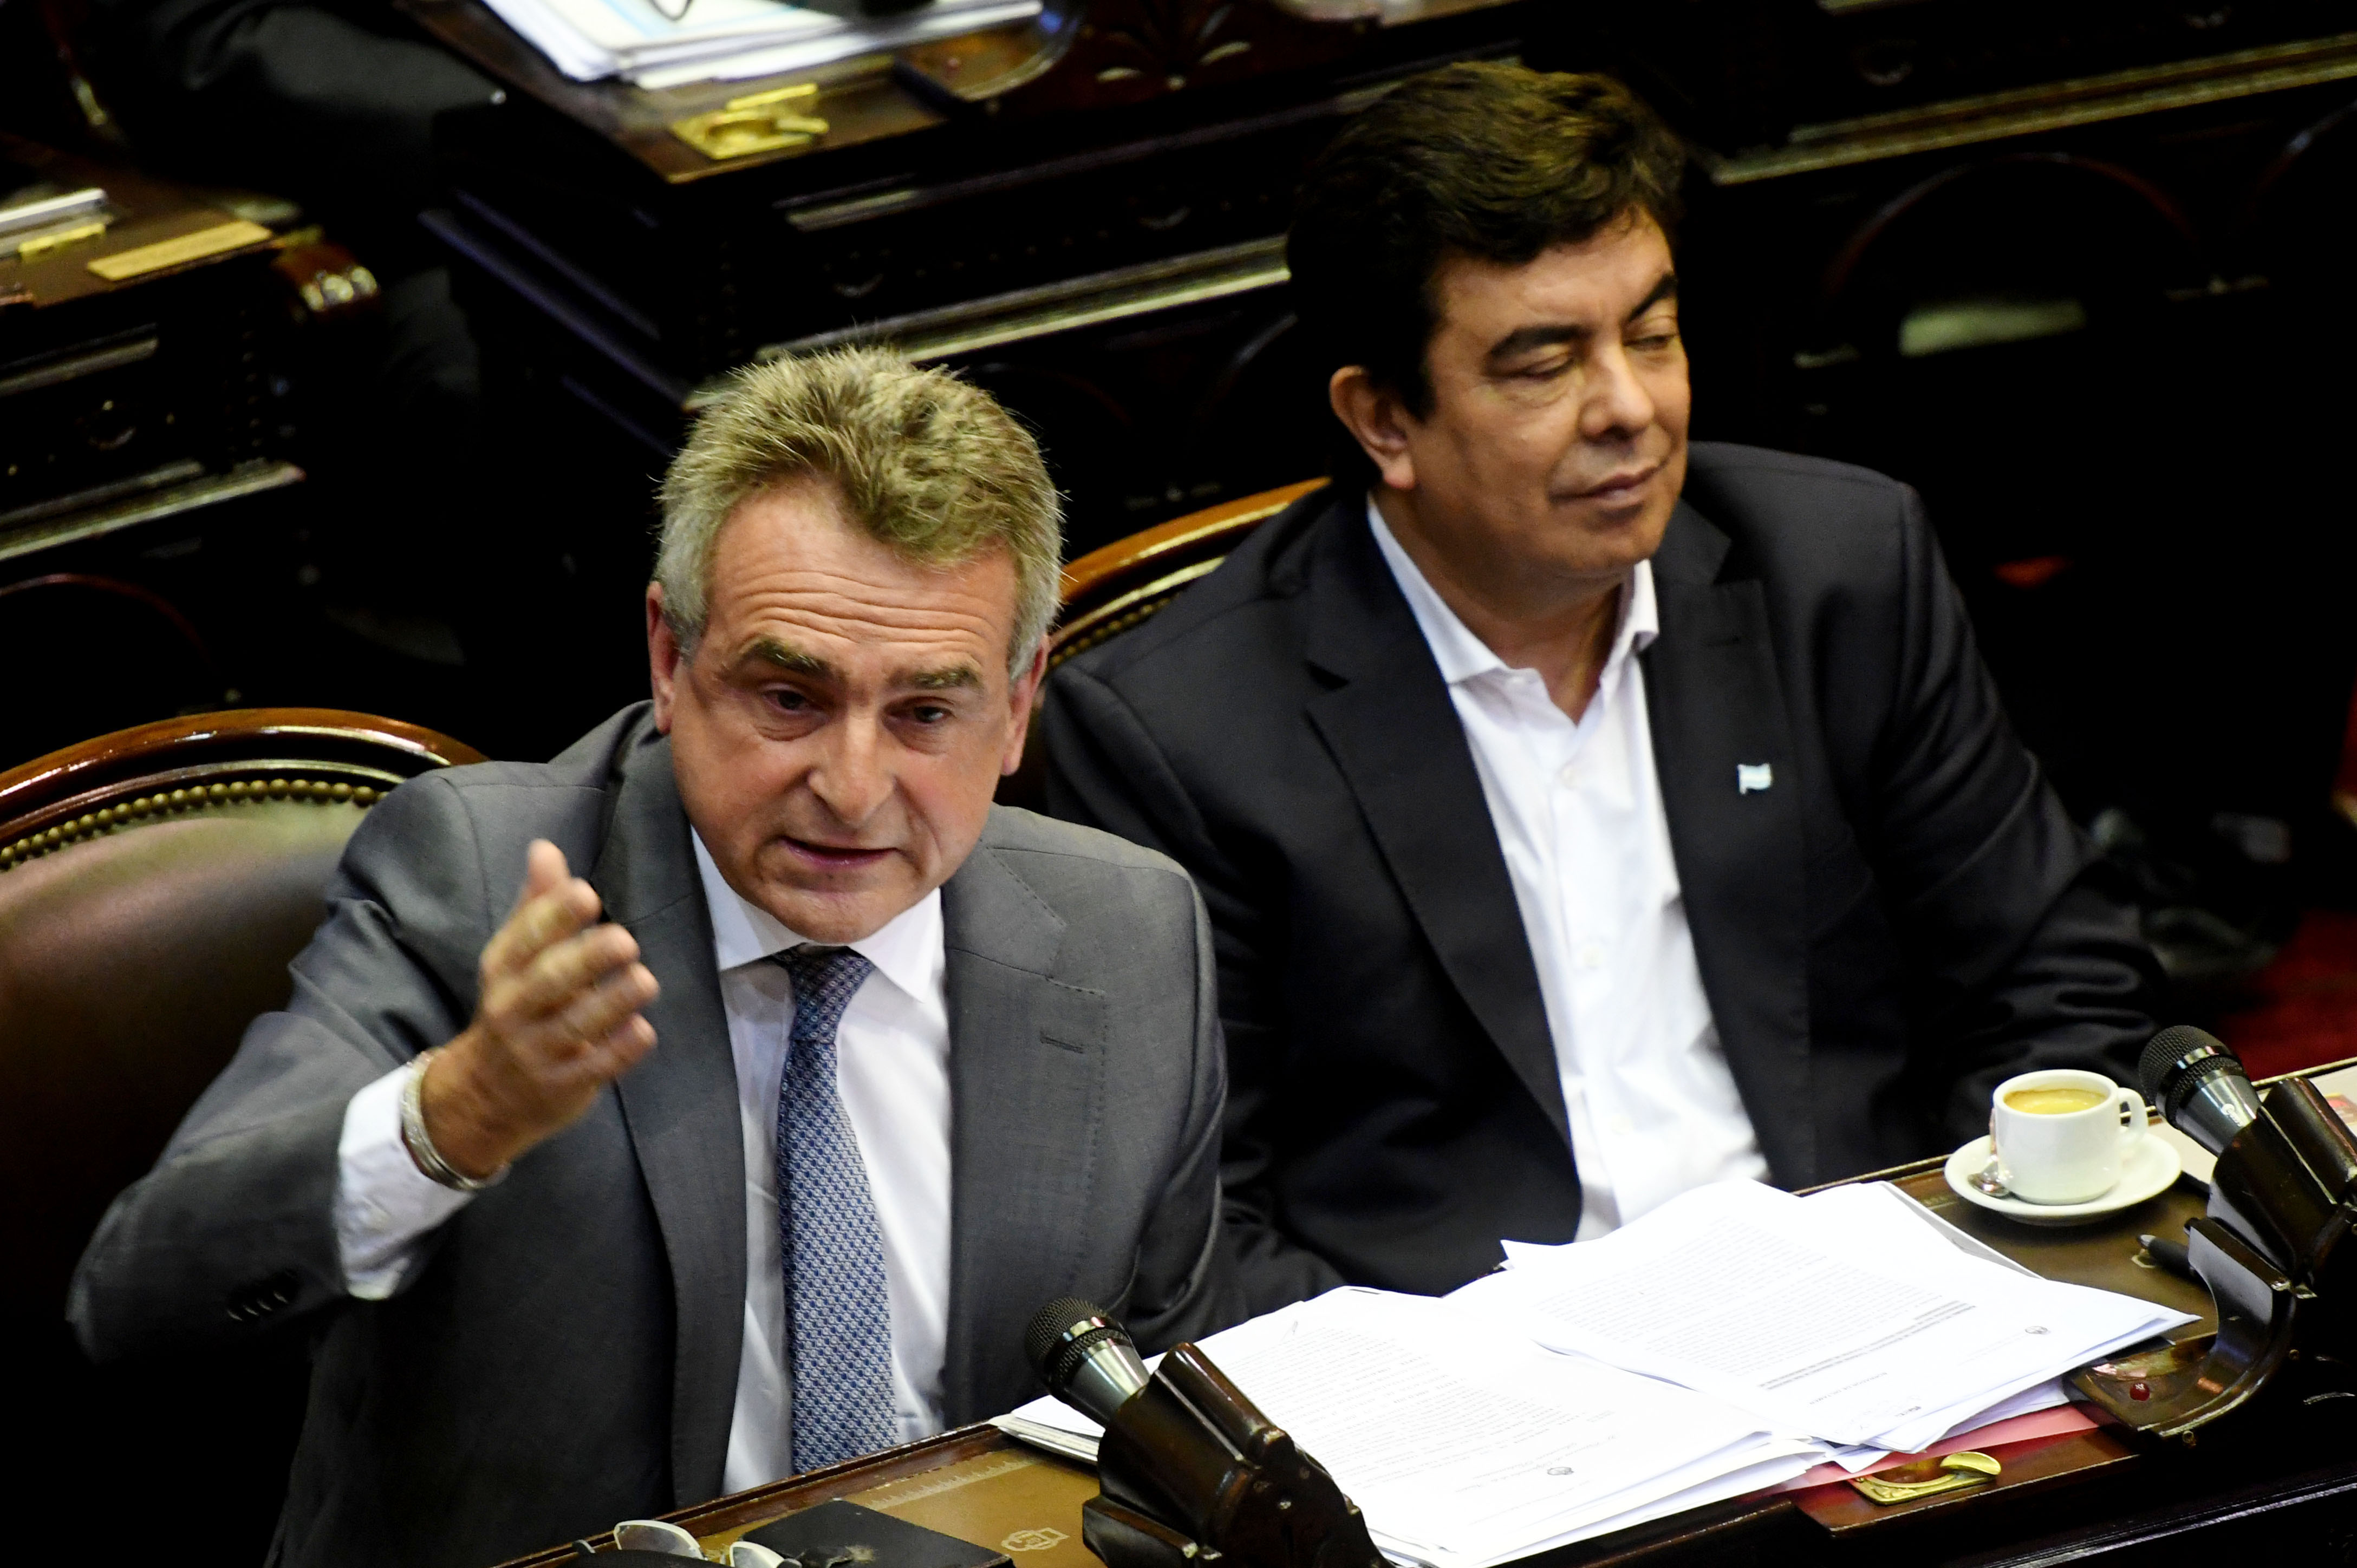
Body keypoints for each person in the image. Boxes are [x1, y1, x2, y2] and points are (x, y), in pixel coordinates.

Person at [70, 349, 1241, 1568]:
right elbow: (145, 1298)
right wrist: (452, 1117)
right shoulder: (473, 884)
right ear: (670, 659)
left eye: (924, 713)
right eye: (789, 696)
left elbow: (1154, 1431)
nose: (851, 789)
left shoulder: (1128, 938)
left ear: (1018, 701)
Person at [1037, 64, 2160, 1310]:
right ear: (1382, 421)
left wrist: (1964, 1269)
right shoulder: (1177, 735)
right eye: (1541, 364)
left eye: (1652, 333)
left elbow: (2051, 978)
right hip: (1481, 1392)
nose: (1629, 408)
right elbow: (1189, 1231)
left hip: (1875, 1308)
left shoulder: (1836, 572)